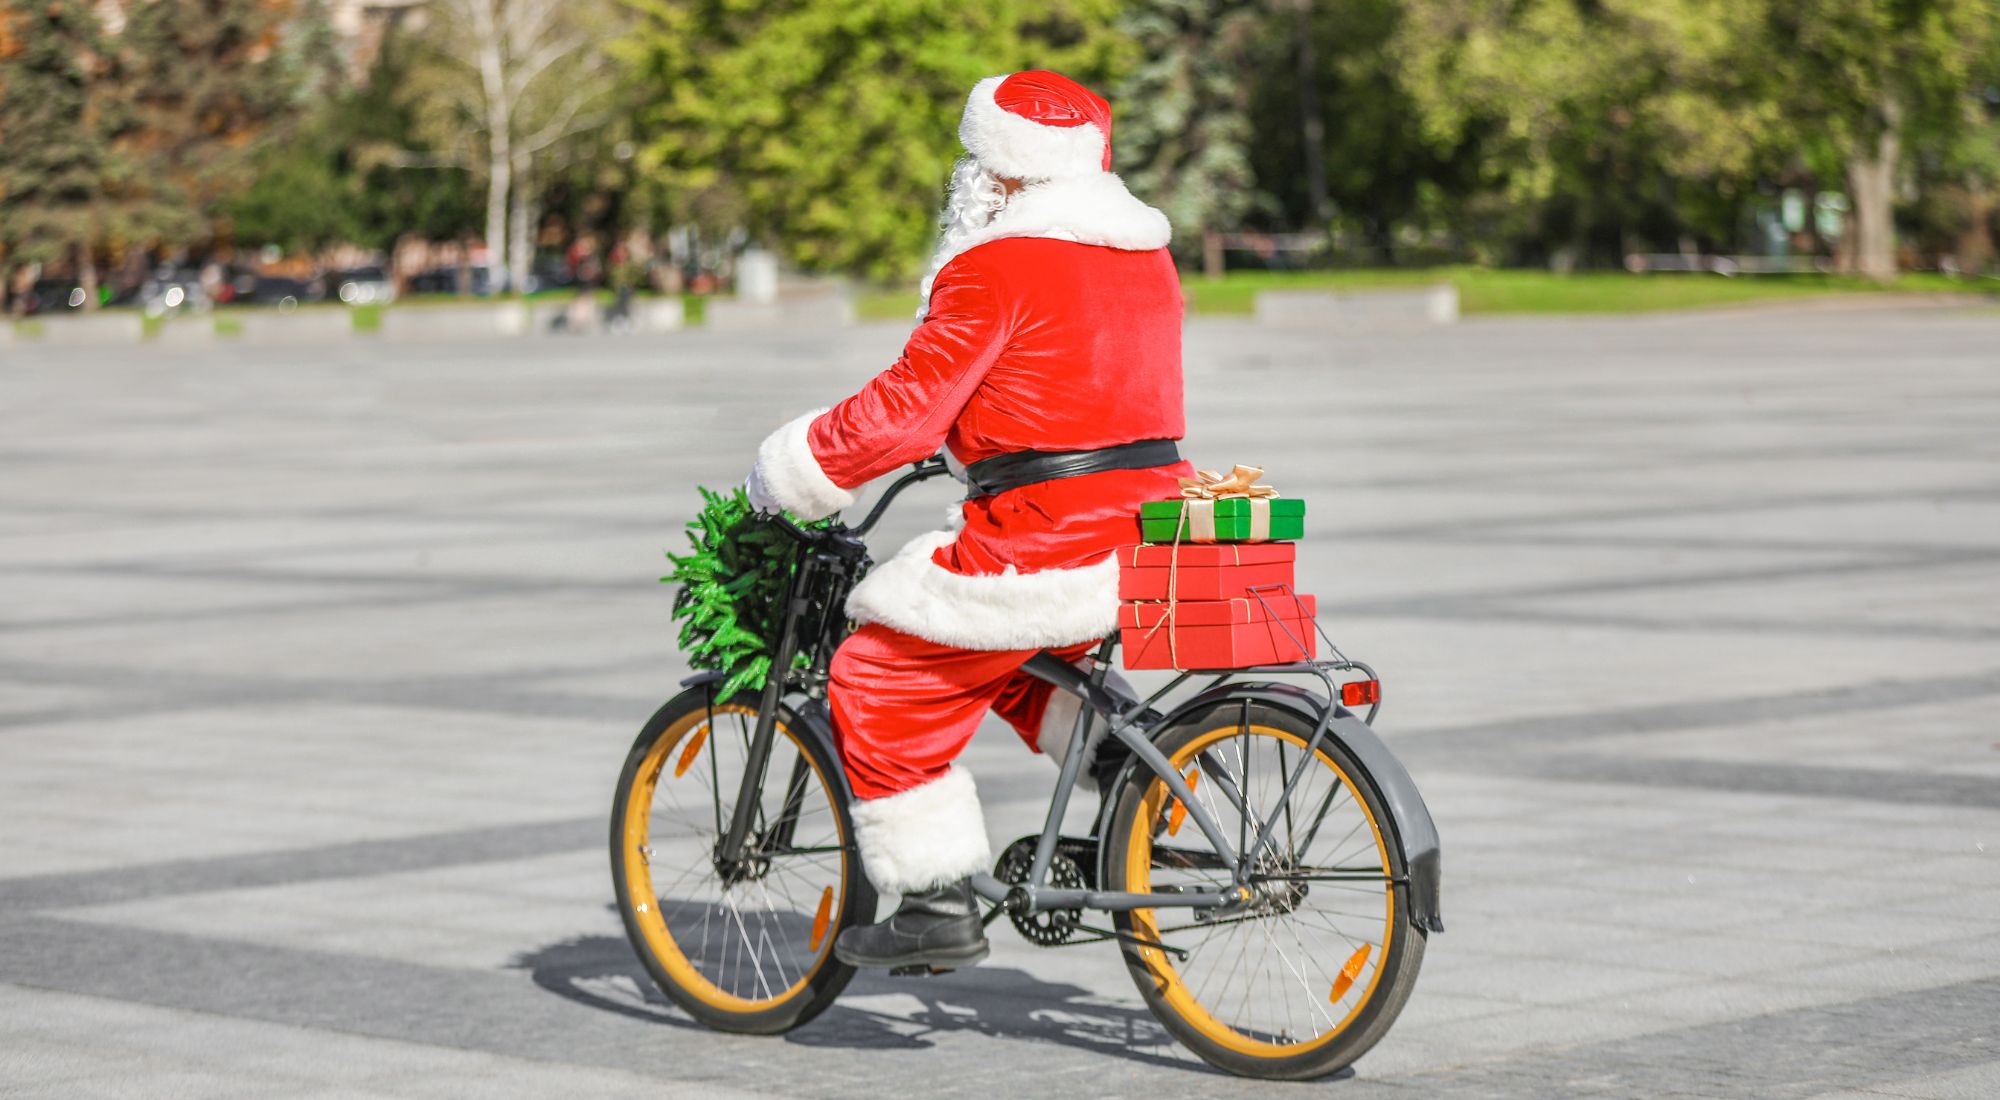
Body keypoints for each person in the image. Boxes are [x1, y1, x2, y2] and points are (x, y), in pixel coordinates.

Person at [744, 70, 1190, 971]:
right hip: (1145, 518)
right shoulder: (1145, 252)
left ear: (1000, 169)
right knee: (1003, 661)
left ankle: (936, 898)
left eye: (974, 163)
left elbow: (906, 410)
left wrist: (795, 470)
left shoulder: (995, 262)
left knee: (877, 676)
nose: (968, 181)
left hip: (1045, 528)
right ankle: (1125, 773)